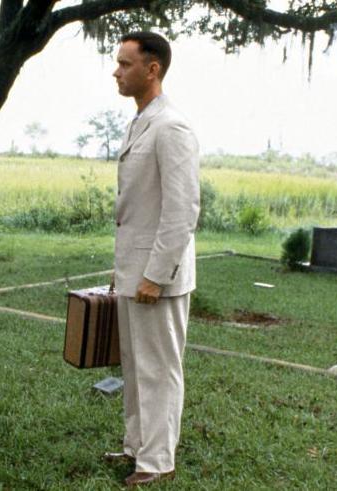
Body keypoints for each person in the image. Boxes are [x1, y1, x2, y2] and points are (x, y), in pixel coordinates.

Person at [106, 31, 200, 487]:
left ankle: (157, 461)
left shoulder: (171, 126)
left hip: (158, 276)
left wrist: (156, 275)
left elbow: (182, 210)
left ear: (153, 69)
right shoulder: (140, 121)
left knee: (159, 368)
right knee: (133, 364)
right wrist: (124, 269)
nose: (117, 72)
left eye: (125, 64)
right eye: (118, 63)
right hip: (133, 269)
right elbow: (139, 208)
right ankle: (135, 446)